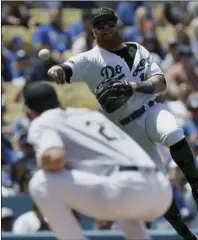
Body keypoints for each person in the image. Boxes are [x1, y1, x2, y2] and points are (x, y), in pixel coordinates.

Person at [48, 7, 198, 239]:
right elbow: (68, 67)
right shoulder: (90, 58)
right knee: (157, 181)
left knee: (174, 133)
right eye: (99, 24)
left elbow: (160, 83)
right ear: (93, 30)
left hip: (150, 109)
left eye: (109, 22)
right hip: (125, 127)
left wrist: (134, 87)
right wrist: (58, 69)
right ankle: (185, 234)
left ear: (118, 24)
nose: (105, 28)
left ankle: (197, 189)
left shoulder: (138, 49)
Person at [24, 82, 175, 240]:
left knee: (40, 181)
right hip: (160, 190)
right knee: (127, 214)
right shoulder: (89, 114)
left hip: (127, 189)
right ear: (59, 102)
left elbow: (55, 158)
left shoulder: (43, 121)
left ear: (29, 112)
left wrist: (42, 164)